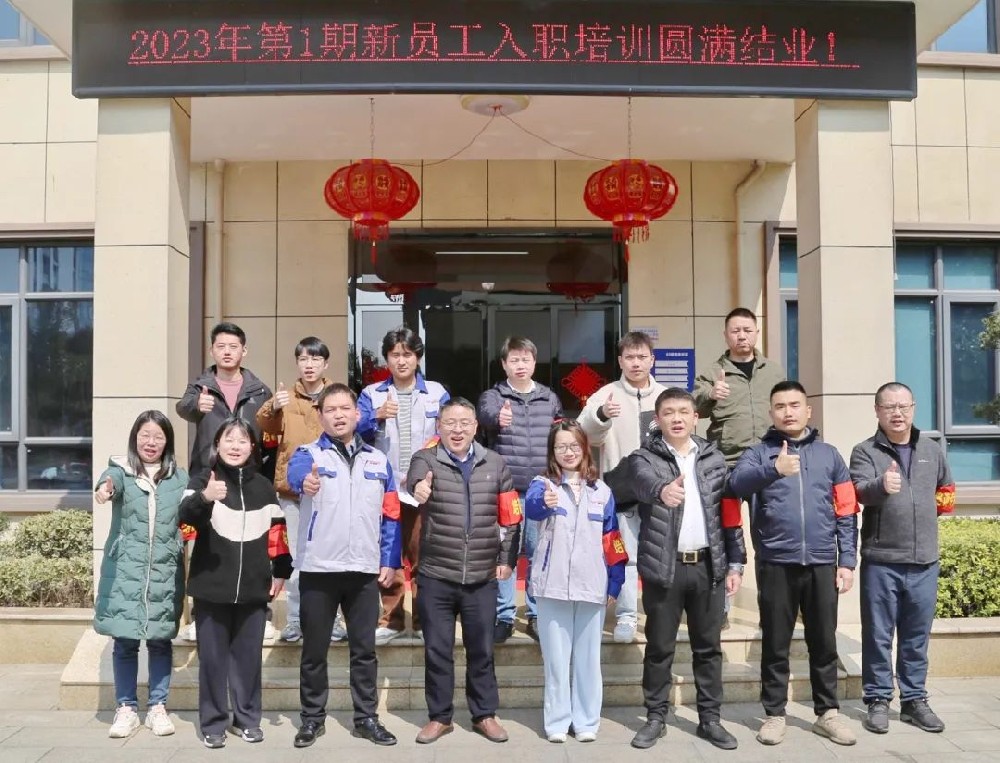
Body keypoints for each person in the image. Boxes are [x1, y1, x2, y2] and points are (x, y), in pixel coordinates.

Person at [606, 388, 746, 751]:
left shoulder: (714, 458)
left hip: (708, 567)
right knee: (659, 647)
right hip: (664, 567)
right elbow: (636, 482)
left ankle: (710, 719)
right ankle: (656, 717)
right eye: (669, 412)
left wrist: (736, 562)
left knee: (708, 648)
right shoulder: (644, 458)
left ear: (695, 416)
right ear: (658, 419)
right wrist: (660, 491)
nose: (677, 418)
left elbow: (729, 514)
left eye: (684, 411)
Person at [729, 381, 859, 748]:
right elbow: (736, 485)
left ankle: (827, 713)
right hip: (776, 562)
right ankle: (774, 714)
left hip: (822, 561)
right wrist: (774, 469)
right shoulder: (758, 453)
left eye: (795, 405)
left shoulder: (829, 455)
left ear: (808, 410)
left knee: (824, 641)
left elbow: (847, 509)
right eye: (780, 406)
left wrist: (847, 560)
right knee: (775, 642)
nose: (788, 412)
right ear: (771, 412)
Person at [285, 383, 402, 749]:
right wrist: (305, 481)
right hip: (319, 569)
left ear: (357, 414)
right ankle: (311, 719)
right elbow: (295, 475)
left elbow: (391, 514)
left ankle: (367, 718)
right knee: (314, 651)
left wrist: (389, 560)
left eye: (344, 408)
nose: (338, 415)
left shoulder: (377, 460)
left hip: (363, 570)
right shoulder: (308, 454)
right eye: (330, 410)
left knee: (364, 651)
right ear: (320, 417)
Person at [406, 398, 521, 745]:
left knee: (482, 650)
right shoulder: (426, 459)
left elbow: (511, 518)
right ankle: (440, 717)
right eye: (450, 423)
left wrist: (507, 559)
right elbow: (414, 480)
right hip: (436, 575)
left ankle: (484, 714)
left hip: (481, 577)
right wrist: (418, 487)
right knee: (437, 650)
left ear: (475, 427)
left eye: (464, 423)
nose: (457, 430)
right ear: (439, 427)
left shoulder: (495, 463)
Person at [179, 417, 292, 749]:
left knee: (247, 660)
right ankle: (213, 723)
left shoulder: (264, 486)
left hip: (254, 588)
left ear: (252, 447)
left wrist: (281, 570)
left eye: (242, 440)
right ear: (217, 445)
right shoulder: (203, 480)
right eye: (229, 439)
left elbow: (278, 532)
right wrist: (205, 497)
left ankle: (247, 719)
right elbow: (185, 521)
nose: (235, 446)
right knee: (213, 661)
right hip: (211, 588)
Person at [850, 382, 955, 735]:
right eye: (889, 407)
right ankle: (878, 699)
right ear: (877, 411)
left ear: (913, 408)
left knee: (916, 636)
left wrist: (923, 524)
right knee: (878, 635)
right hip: (881, 560)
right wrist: (881, 486)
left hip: (924, 560)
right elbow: (858, 491)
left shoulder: (931, 450)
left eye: (903, 406)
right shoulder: (865, 451)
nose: (897, 413)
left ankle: (914, 700)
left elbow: (945, 491)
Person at [524, 420, 626, 743]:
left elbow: (613, 539)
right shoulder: (542, 484)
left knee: (588, 659)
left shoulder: (602, 491)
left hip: (591, 584)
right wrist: (544, 503)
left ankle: (586, 721)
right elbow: (532, 509)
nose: (568, 452)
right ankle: (557, 722)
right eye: (561, 447)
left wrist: (615, 581)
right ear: (552, 451)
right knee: (556, 660)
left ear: (585, 449)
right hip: (552, 585)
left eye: (574, 446)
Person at [176, 322, 274, 642]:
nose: (227, 352)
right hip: (209, 475)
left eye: (234, 346)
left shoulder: (259, 390)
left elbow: (271, 428)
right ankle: (199, 614)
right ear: (212, 350)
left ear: (244, 351)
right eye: (221, 346)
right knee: (203, 543)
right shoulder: (201, 386)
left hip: (248, 478)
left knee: (253, 543)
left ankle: (262, 612)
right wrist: (196, 406)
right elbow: (183, 408)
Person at [93, 411, 188, 739]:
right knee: (125, 641)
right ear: (135, 438)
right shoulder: (121, 471)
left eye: (158, 436)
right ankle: (127, 708)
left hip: (164, 570)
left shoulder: (179, 478)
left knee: (160, 641)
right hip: (126, 571)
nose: (151, 442)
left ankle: (158, 707)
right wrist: (104, 489)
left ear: (167, 442)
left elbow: (193, 512)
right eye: (145, 435)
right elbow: (109, 482)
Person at [693, 307, 786, 627]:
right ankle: (720, 606)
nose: (742, 336)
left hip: (766, 464)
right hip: (727, 465)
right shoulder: (713, 371)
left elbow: (787, 409)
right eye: (735, 330)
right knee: (723, 536)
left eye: (747, 330)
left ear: (756, 332)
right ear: (726, 335)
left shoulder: (774, 372)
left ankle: (772, 608)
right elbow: (694, 407)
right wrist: (710, 394)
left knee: (769, 536)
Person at [358, 326, 449, 645]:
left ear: (418, 357)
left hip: (424, 488)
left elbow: (448, 434)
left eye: (407, 354)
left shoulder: (436, 392)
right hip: (384, 489)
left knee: (425, 556)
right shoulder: (372, 394)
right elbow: (354, 432)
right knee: (389, 557)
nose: (401, 360)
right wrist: (376, 416)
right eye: (395, 354)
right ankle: (392, 620)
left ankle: (424, 621)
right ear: (386, 358)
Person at [578, 330, 666, 643]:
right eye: (630, 357)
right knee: (625, 556)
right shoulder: (606, 395)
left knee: (660, 556)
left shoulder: (666, 395)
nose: (636, 363)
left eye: (642, 356)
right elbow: (583, 433)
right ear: (620, 361)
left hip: (660, 489)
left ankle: (658, 615)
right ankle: (627, 616)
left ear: (652, 359)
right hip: (621, 488)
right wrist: (602, 415)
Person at [477, 335, 563, 643]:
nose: (520, 365)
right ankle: (504, 615)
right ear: (504, 364)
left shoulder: (549, 398)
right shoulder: (494, 396)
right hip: (507, 489)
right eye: (514, 360)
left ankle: (537, 613)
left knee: (539, 552)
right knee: (506, 553)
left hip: (541, 487)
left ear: (534, 362)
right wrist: (496, 418)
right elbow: (482, 415)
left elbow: (561, 435)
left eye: (525, 359)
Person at [256, 336, 336, 644]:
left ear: (325, 364)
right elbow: (265, 424)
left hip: (330, 489)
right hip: (292, 490)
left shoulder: (336, 396)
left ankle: (333, 620)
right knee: (298, 556)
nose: (309, 365)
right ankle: (294, 620)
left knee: (330, 555)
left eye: (315, 359)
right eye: (303, 359)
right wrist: (273, 405)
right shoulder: (285, 397)